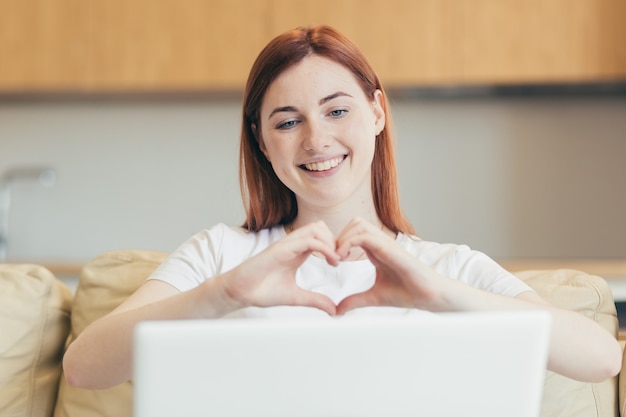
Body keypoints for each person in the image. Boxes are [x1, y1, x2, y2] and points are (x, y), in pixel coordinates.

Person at [63, 25, 621, 390]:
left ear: (377, 113)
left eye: (336, 111)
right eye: (287, 121)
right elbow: (85, 366)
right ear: (261, 140)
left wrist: (436, 295)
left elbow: (601, 358)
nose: (316, 139)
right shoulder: (221, 254)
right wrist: (226, 293)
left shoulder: (448, 268)